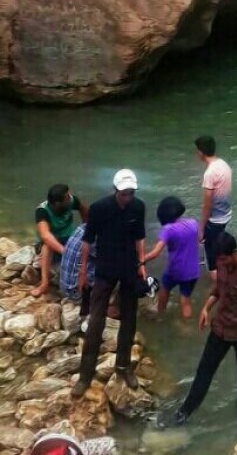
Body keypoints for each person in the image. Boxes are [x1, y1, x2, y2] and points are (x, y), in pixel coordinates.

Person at [170, 233, 237, 424]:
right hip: (221, 327)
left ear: (235, 254)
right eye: (218, 260)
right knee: (204, 371)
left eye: (224, 259)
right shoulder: (221, 265)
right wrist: (206, 308)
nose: (221, 263)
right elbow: (218, 290)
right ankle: (184, 413)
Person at [73, 169, 146, 397]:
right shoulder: (99, 208)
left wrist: (142, 263)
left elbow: (139, 237)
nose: (128, 197)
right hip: (105, 268)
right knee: (96, 320)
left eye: (131, 192)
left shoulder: (138, 207)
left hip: (128, 267)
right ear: (115, 190)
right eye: (124, 193)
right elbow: (87, 241)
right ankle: (86, 374)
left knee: (129, 318)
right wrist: (83, 271)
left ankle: (123, 367)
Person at [143, 197, 201, 319]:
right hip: (193, 271)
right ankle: (187, 327)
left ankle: (160, 316)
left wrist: (141, 260)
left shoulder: (168, 229)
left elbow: (156, 252)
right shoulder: (193, 223)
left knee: (165, 289)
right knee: (185, 299)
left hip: (175, 270)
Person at [30, 184, 88, 298]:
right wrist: (66, 252)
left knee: (88, 245)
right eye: (67, 197)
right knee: (47, 246)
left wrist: (87, 227)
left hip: (69, 238)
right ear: (57, 203)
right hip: (52, 241)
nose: (70, 198)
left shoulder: (71, 201)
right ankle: (44, 283)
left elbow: (84, 210)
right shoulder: (42, 211)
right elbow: (45, 235)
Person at [196, 136, 232, 282]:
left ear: (200, 152)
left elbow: (207, 205)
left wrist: (201, 229)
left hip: (215, 220)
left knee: (211, 261)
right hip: (226, 215)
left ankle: (220, 289)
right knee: (219, 250)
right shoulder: (223, 164)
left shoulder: (210, 173)